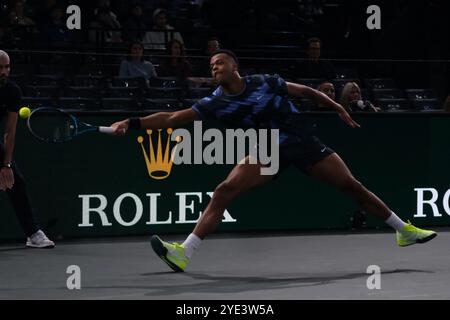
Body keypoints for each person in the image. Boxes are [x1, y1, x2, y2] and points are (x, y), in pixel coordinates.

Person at [110, 50, 437, 272]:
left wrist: (337, 107)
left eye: (219, 63)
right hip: (266, 149)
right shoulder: (215, 102)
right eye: (211, 66)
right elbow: (170, 118)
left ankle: (403, 229)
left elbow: (307, 92)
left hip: (303, 142)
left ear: (234, 67)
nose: (214, 68)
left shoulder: (265, 81)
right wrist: (132, 122)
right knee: (224, 189)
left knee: (353, 187)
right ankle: (184, 253)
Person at [0, 50, 55, 248]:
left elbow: (10, 131)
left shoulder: (12, 91)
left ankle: (33, 233)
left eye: (7, 67)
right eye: (0, 67)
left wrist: (6, 164)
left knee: (15, 181)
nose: (4, 72)